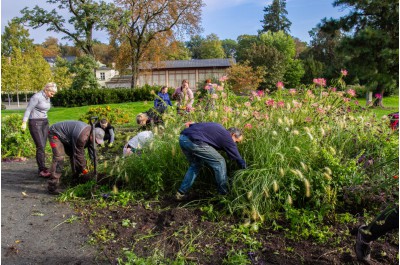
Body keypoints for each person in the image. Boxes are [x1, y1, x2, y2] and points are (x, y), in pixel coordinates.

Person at [176, 122, 246, 200]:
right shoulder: (228, 137)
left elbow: (192, 125)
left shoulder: (218, 126)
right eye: (236, 141)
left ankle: (181, 193)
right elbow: (238, 158)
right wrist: (245, 169)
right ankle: (223, 194)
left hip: (183, 138)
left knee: (196, 165)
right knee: (220, 162)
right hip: (195, 142)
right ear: (233, 135)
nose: (235, 143)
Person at [47, 121, 105, 194]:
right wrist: (83, 168)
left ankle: (75, 179)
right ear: (92, 136)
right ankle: (52, 186)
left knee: (73, 155)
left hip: (68, 137)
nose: (96, 143)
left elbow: (92, 152)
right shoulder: (82, 137)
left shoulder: (91, 135)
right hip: (55, 133)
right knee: (59, 158)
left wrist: (95, 165)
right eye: (96, 141)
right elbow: (79, 154)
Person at [21, 82, 58, 178]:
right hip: (35, 123)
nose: (52, 95)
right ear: (46, 90)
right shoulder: (36, 97)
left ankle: (43, 167)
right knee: (40, 146)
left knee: (43, 146)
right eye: (52, 93)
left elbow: (43, 110)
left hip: (45, 122)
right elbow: (28, 109)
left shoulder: (47, 97)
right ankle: (41, 170)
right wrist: (24, 122)